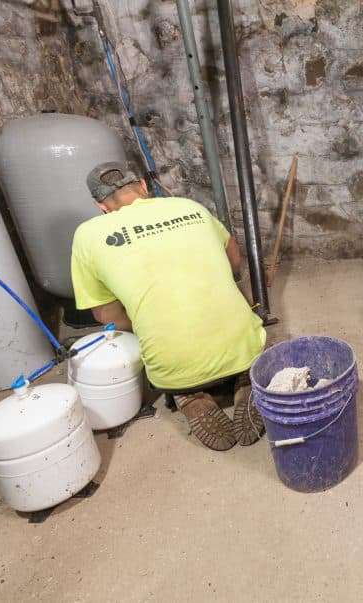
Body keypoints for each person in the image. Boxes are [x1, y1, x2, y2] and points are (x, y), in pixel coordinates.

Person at [70, 161, 267, 450]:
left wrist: (147, 319)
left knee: (163, 347)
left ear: (100, 205)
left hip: (171, 365)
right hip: (245, 346)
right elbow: (234, 256)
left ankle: (190, 394)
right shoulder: (189, 207)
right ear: (143, 186)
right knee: (241, 338)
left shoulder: (87, 236)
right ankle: (246, 381)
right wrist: (229, 286)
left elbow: (105, 314)